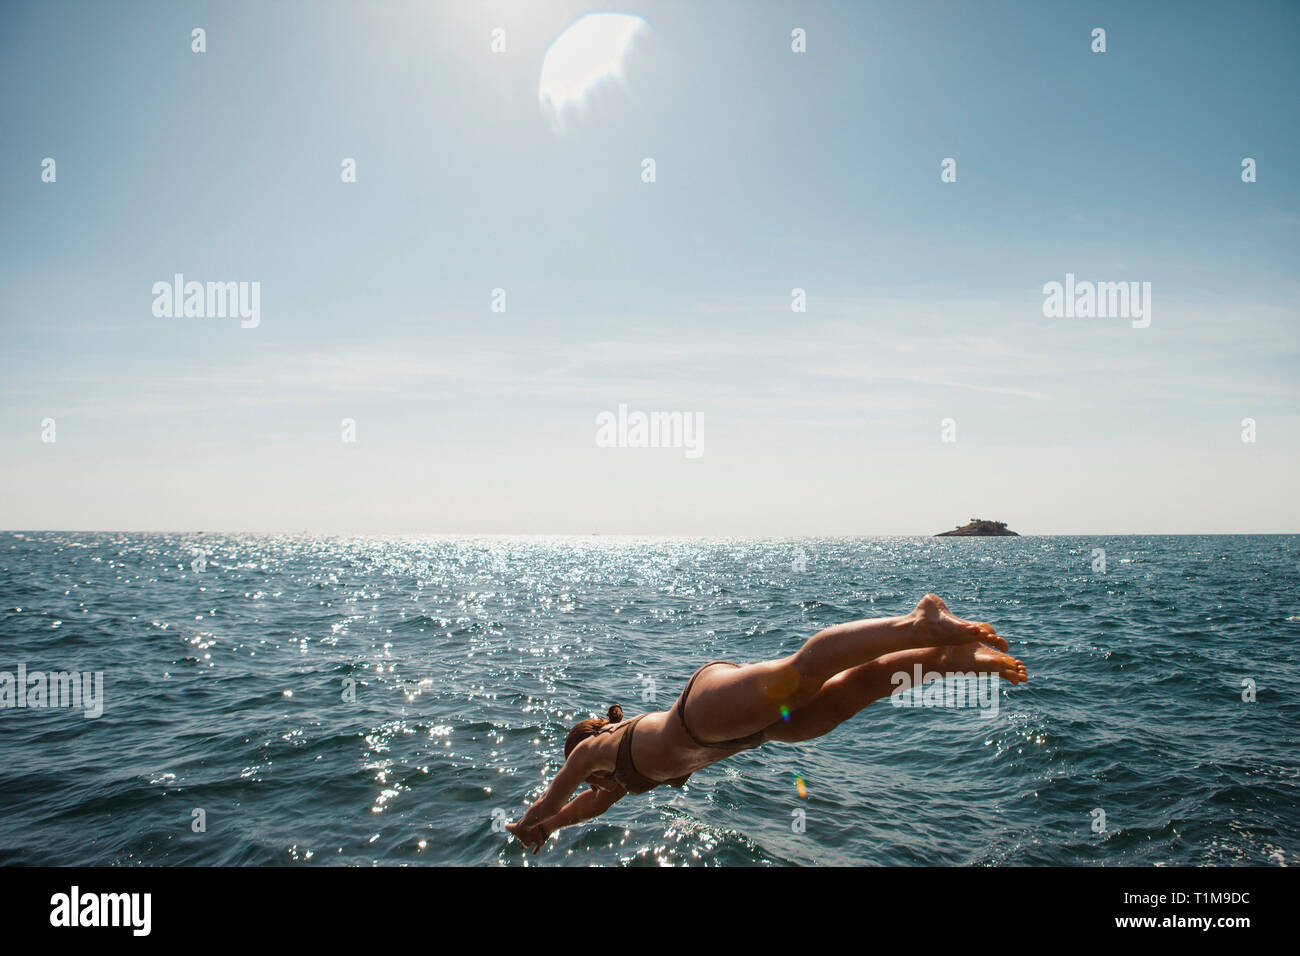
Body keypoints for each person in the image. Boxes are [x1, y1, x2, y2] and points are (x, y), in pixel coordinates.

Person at [507, 594, 1028, 853]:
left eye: (590, 780)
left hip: (700, 712)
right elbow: (577, 810)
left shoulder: (594, 751)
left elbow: (555, 798)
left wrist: (526, 822)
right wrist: (547, 830)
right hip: (748, 733)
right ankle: (949, 659)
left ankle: (915, 623)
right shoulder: (616, 782)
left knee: (798, 677)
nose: (593, 789)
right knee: (846, 698)